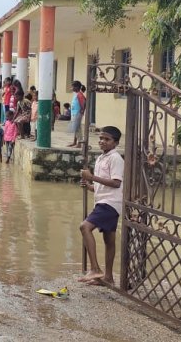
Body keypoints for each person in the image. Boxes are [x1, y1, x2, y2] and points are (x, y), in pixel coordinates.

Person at [79, 126, 124, 286]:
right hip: (103, 201)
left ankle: (95, 268)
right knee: (109, 240)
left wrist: (92, 177)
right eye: (101, 138)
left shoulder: (115, 158)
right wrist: (89, 185)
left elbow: (116, 183)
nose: (102, 142)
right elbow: (102, 185)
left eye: (107, 139)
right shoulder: (100, 158)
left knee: (85, 227)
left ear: (115, 143)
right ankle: (108, 278)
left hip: (110, 203)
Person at [68, 81, 87, 148]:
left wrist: (82, 111)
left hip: (77, 113)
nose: (71, 88)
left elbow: (84, 102)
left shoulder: (79, 94)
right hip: (74, 113)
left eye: (72, 86)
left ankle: (79, 143)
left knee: (77, 128)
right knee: (75, 128)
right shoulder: (76, 94)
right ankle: (74, 142)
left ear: (77, 87)